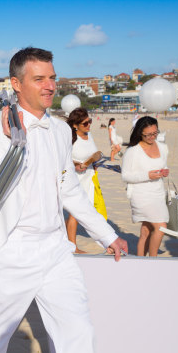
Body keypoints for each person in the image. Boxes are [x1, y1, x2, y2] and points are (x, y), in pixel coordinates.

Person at [0, 48, 127, 353]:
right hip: (11, 249)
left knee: (78, 330)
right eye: (39, 79)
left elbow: (69, 190)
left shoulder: (62, 130)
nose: (49, 85)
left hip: (56, 248)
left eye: (52, 77)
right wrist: (14, 143)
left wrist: (107, 234)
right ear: (16, 83)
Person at [121, 116, 169, 257]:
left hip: (158, 193)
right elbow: (125, 176)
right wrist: (148, 175)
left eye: (155, 133)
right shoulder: (132, 151)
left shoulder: (162, 147)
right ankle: (152, 260)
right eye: (148, 134)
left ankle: (140, 260)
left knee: (146, 231)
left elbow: (162, 164)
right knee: (161, 227)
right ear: (140, 133)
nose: (152, 137)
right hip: (141, 195)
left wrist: (164, 170)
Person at [65, 107, 101, 254]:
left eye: (90, 121)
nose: (89, 125)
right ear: (75, 125)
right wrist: (76, 164)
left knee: (79, 212)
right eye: (85, 123)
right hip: (76, 177)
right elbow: (64, 158)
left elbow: (95, 153)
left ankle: (67, 240)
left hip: (89, 177)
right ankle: (73, 247)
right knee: (76, 212)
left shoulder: (89, 135)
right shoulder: (71, 139)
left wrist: (94, 160)